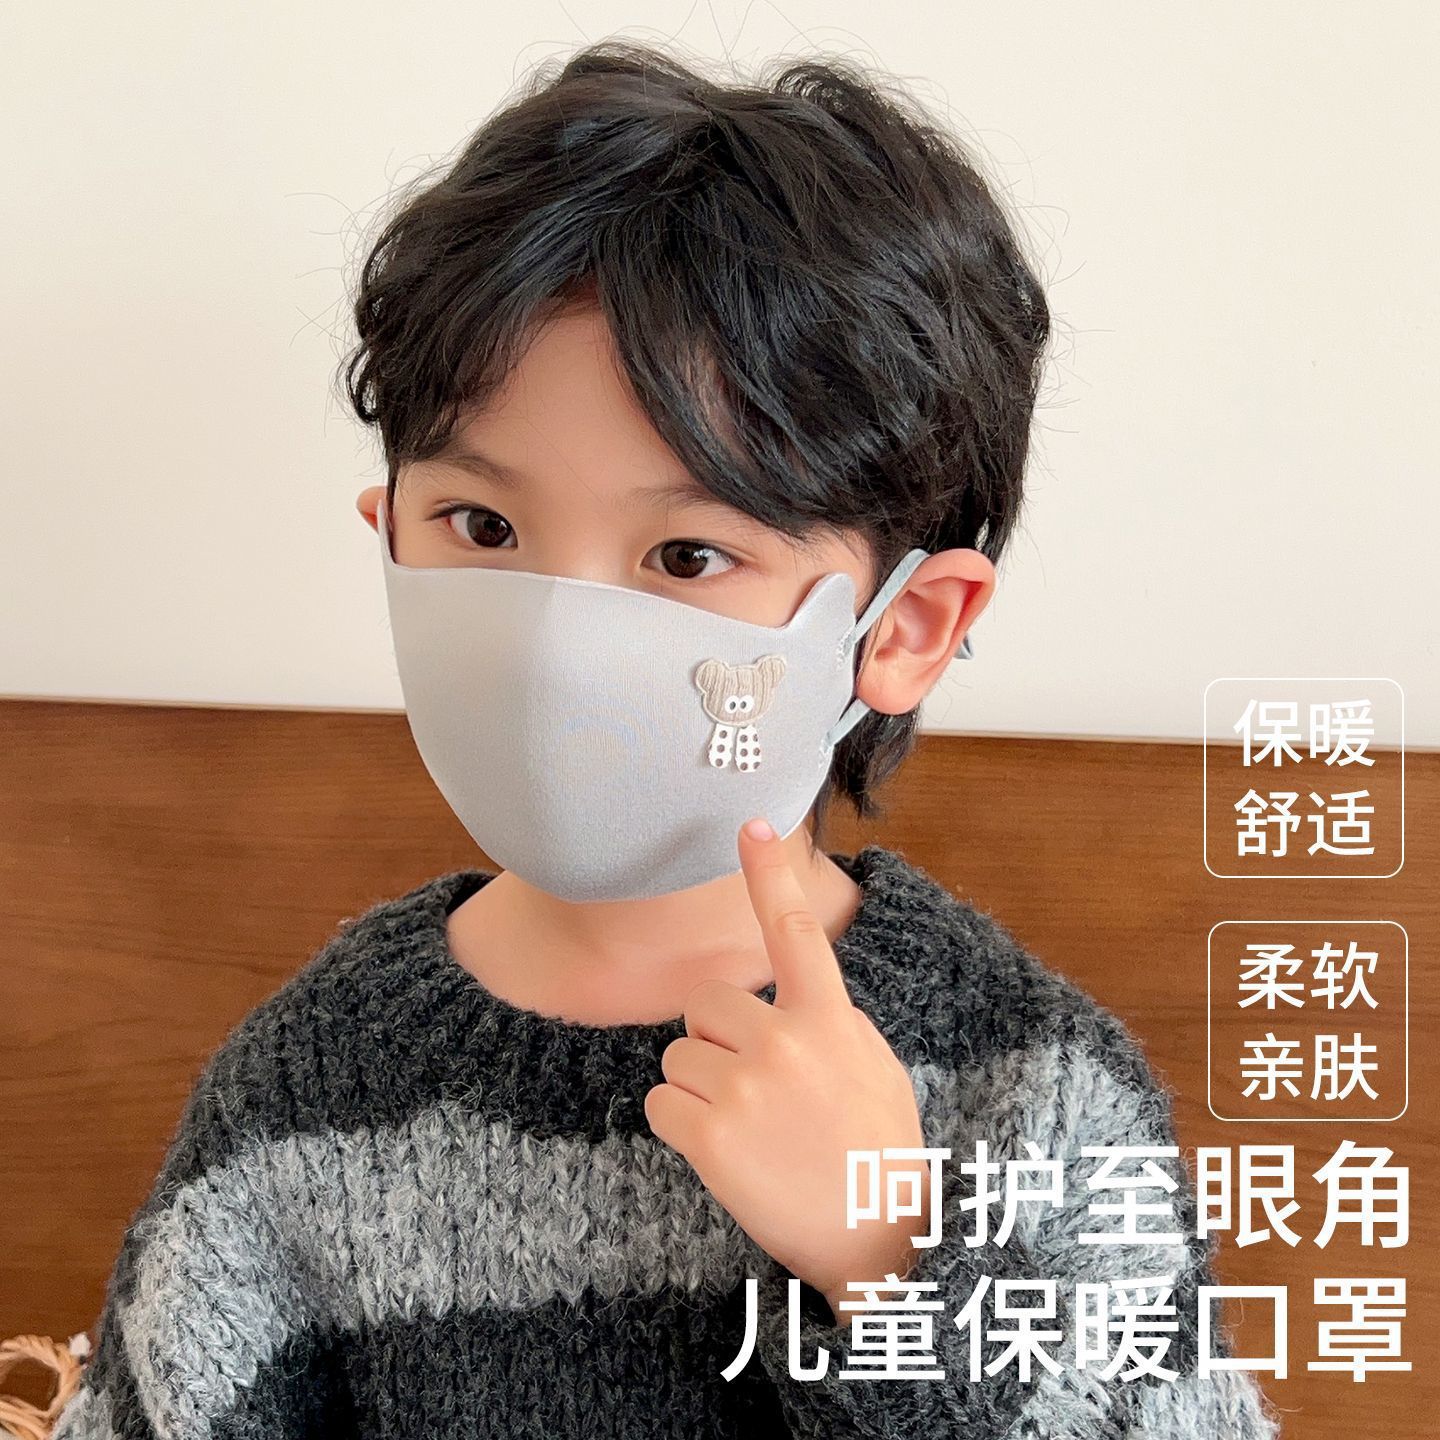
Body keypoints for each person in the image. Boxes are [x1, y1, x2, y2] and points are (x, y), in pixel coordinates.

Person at [54, 40, 1277, 1439]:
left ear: (903, 627)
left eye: (688, 555)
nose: (559, 642)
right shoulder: (306, 1091)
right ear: (388, 535)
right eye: (482, 527)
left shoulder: (1029, 1091)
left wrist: (894, 1269)